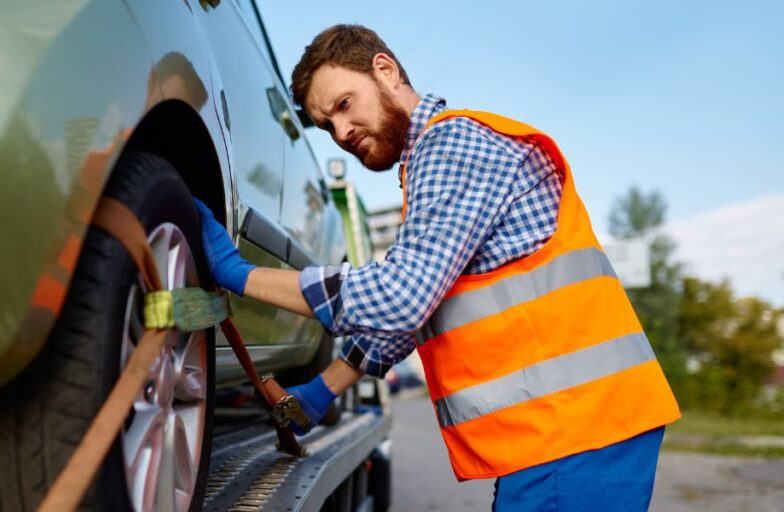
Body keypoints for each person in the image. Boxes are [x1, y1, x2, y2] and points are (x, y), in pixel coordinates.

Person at [193, 24, 680, 511]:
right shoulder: (432, 160)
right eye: (326, 126)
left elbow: (401, 296)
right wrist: (325, 387)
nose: (340, 133)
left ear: (384, 70)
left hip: (575, 431)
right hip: (574, 428)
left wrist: (241, 275)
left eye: (343, 105)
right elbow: (425, 306)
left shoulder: (450, 144)